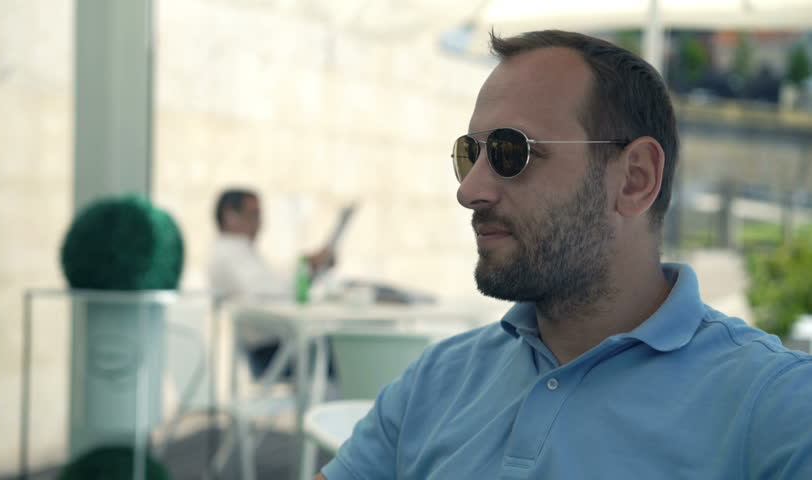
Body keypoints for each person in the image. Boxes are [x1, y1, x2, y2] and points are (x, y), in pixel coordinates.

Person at [316, 30, 812, 479]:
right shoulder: (436, 379)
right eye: (471, 153)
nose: (470, 190)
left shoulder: (775, 409)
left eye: (512, 152)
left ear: (635, 178)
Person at [209, 188, 334, 376]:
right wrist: (307, 266)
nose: (259, 224)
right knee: (344, 355)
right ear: (229, 215)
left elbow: (277, 285)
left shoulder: (241, 252)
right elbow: (271, 291)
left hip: (280, 345)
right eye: (253, 215)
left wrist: (311, 268)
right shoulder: (229, 254)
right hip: (273, 352)